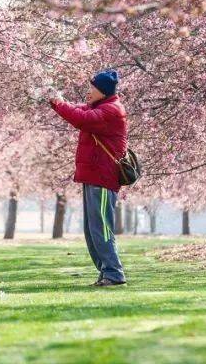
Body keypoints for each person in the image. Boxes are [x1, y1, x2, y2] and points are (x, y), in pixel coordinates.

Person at [48, 69, 127, 287]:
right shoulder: (100, 108)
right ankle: (106, 272)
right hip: (93, 176)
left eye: (92, 88)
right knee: (92, 230)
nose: (89, 92)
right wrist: (58, 102)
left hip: (102, 177)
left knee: (101, 228)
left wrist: (60, 104)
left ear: (103, 91)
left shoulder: (111, 111)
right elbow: (76, 110)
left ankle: (114, 273)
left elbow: (80, 118)